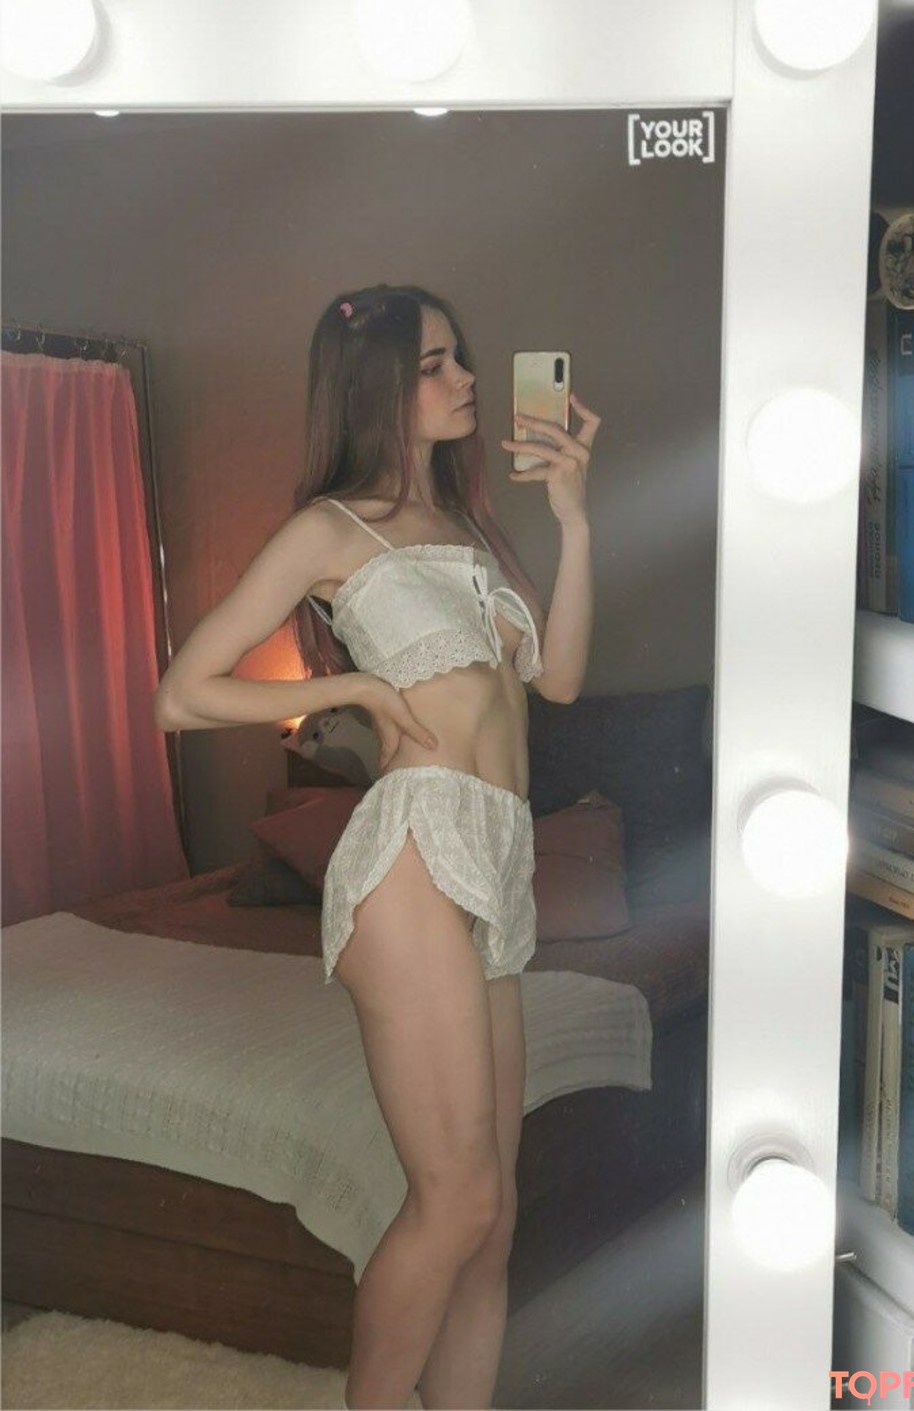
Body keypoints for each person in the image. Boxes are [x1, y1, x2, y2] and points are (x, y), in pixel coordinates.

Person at [153, 283, 600, 1410]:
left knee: (493, 1215)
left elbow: (558, 679)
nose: (464, 380)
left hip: (498, 851)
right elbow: (181, 694)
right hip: (412, 843)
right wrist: (347, 686)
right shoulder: (328, 530)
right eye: (435, 364)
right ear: (377, 388)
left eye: (460, 358)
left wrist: (574, 518)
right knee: (456, 1199)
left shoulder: (469, 529)